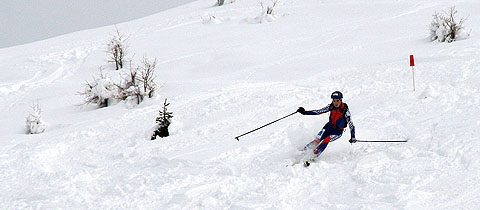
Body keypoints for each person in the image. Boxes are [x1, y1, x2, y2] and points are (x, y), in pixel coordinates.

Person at [297, 91, 356, 165]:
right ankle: (303, 151)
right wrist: (305, 112)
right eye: (334, 101)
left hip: (337, 132)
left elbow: (351, 125)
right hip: (328, 127)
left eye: (337, 101)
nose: (335, 103)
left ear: (341, 100)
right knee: (317, 139)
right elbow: (319, 111)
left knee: (327, 139)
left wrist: (353, 136)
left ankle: (313, 155)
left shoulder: (345, 110)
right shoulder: (331, 107)